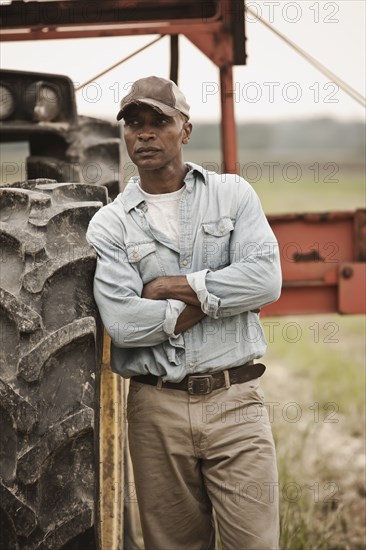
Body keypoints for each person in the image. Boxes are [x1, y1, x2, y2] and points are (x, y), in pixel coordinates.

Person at [86, 75, 282, 550]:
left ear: (186, 130)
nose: (145, 132)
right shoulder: (109, 223)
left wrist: (172, 288)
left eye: (159, 121)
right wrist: (218, 297)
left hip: (235, 400)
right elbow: (124, 325)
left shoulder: (233, 196)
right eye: (134, 123)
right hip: (156, 410)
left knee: (254, 544)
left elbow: (266, 281)